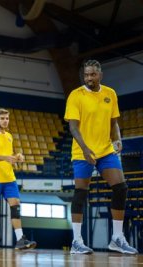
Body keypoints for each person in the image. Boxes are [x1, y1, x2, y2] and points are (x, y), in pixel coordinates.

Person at [65, 60, 137, 254]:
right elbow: (73, 127)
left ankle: (117, 238)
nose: (89, 78)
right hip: (82, 151)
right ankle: (77, 241)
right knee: (80, 192)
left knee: (121, 188)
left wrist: (118, 139)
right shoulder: (76, 95)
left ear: (100, 75)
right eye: (86, 75)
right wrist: (86, 149)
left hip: (105, 150)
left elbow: (114, 122)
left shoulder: (110, 94)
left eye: (92, 75)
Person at [0, 108, 36, 251]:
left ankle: (20, 239)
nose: (5, 121)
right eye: (2, 118)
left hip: (9, 177)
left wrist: (17, 157)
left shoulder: (9, 136)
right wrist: (6, 158)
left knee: (15, 203)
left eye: (7, 118)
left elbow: (8, 155)